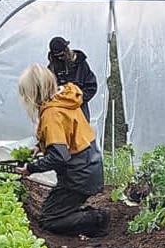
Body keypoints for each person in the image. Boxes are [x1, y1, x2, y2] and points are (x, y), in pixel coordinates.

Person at [16, 64, 109, 237]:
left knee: (49, 220)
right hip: (89, 166)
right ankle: (82, 213)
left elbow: (59, 157)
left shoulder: (52, 113)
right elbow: (67, 132)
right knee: (51, 209)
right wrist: (41, 144)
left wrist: (31, 168)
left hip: (78, 176)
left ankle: (96, 218)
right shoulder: (65, 98)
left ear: (34, 93)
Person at [46, 36, 97, 122]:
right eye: (56, 56)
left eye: (62, 55)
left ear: (67, 50)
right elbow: (48, 90)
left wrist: (78, 98)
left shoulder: (81, 64)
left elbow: (91, 86)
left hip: (80, 111)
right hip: (61, 113)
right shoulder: (52, 68)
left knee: (82, 134)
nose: (59, 58)